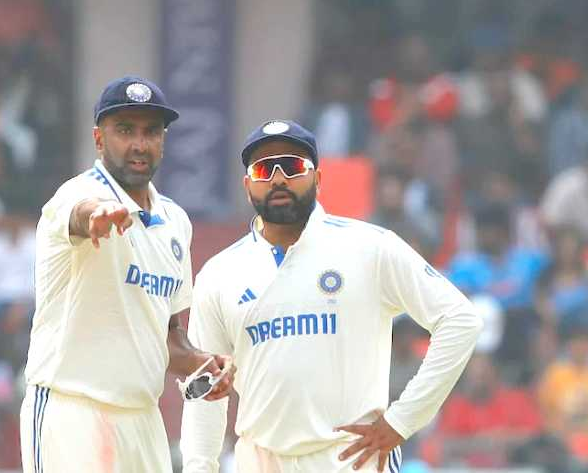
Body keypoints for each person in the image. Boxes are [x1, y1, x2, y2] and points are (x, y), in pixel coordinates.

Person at [180, 120, 483, 472]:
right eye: (264, 170)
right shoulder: (220, 273)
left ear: (318, 180)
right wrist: (199, 467)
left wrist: (402, 421)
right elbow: (207, 389)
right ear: (248, 186)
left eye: (293, 167)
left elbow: (461, 320)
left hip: (350, 458)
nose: (279, 179)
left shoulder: (370, 247)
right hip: (260, 460)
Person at [20, 76, 233, 472]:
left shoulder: (175, 221)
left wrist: (204, 364)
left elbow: (167, 338)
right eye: (124, 130)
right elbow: (82, 212)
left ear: (163, 141)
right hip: (74, 411)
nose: (139, 144)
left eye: (151, 131)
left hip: (142, 419)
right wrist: (98, 217)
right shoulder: (76, 193)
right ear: (99, 139)